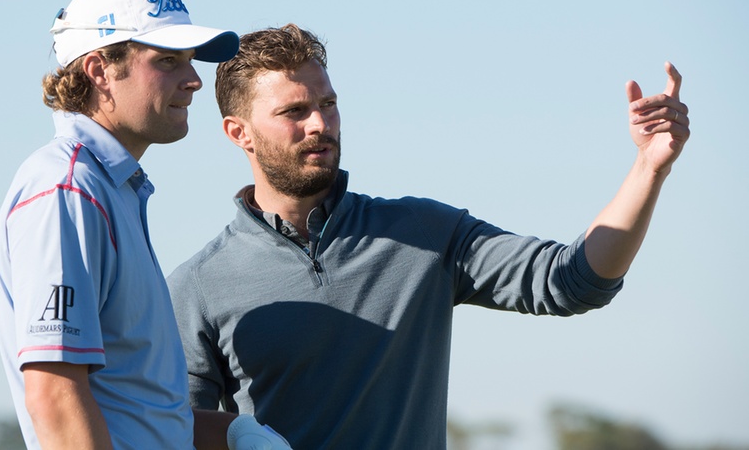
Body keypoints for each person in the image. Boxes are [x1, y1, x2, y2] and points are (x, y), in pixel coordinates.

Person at [166, 23, 691, 449]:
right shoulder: (198, 286)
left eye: (327, 104)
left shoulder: (425, 232)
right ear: (239, 133)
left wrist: (649, 169)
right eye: (294, 111)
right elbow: (171, 432)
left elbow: (574, 280)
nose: (319, 124)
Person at [0, 0, 290, 450]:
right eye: (168, 61)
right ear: (98, 70)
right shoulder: (67, 190)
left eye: (190, 63)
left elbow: (142, 414)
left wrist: (233, 432)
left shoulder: (109, 189)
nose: (193, 80)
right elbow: (54, 394)